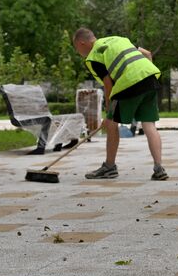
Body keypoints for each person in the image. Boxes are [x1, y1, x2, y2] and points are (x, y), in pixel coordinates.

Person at [72, 28, 168, 180]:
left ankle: (109, 167)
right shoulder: (118, 39)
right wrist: (144, 74)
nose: (78, 52)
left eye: (76, 48)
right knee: (149, 125)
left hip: (129, 82)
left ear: (82, 43)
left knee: (111, 123)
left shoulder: (95, 55)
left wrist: (109, 112)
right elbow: (148, 53)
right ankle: (159, 168)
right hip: (150, 78)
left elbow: (108, 83)